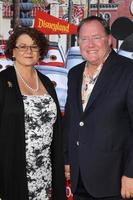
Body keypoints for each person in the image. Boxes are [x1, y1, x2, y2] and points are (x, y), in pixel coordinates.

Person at [63, 16, 133, 200]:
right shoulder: (74, 73)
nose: (90, 44)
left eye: (96, 37)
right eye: (84, 39)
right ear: (78, 42)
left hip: (115, 181)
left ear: (109, 39)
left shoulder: (128, 71)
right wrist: (68, 159)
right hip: (79, 179)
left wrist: (131, 173)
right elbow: (71, 119)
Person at [0, 27, 66, 200]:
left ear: (40, 51)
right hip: (13, 170)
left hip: (45, 173)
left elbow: (56, 128)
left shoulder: (46, 82)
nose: (28, 51)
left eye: (34, 46)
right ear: (13, 51)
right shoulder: (2, 81)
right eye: (22, 46)